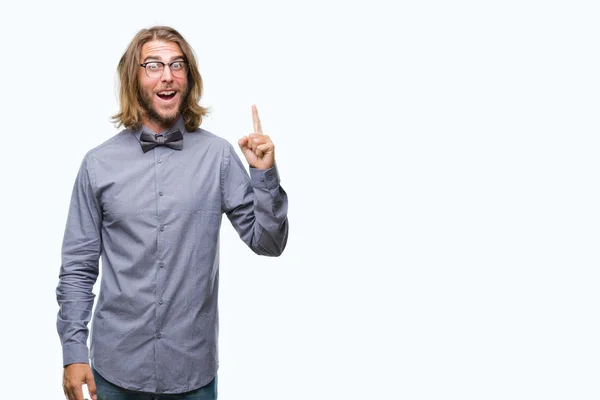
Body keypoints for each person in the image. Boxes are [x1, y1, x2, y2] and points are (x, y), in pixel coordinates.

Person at [56, 25, 289, 400]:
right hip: (113, 371)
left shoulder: (218, 157)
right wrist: (72, 352)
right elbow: (78, 266)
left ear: (189, 77)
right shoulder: (98, 164)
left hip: (191, 373)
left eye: (177, 65)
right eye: (153, 64)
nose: (167, 75)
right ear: (134, 77)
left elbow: (269, 243)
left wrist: (263, 175)